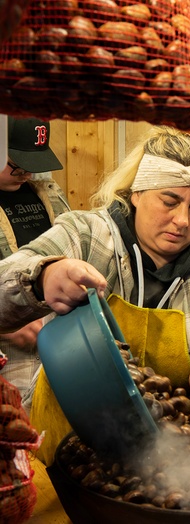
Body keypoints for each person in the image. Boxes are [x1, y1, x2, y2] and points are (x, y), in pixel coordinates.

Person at [0, 126, 190, 464]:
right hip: (66, 438)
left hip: (171, 450)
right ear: (137, 193)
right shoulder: (85, 235)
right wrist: (42, 277)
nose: (182, 220)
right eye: (169, 201)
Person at [0, 116, 70, 400]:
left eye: (34, 164)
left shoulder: (49, 194)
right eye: (17, 165)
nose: (27, 173)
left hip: (56, 353)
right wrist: (7, 320)